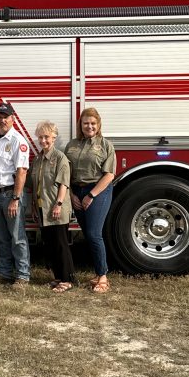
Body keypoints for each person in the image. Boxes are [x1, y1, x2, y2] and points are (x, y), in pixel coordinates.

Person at [65, 107, 115, 292]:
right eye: (86, 123)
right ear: (81, 124)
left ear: (98, 124)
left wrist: (91, 195)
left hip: (98, 190)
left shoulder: (105, 145)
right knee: (87, 234)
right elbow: (65, 173)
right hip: (76, 192)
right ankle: (97, 273)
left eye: (93, 123)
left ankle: (103, 276)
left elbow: (109, 175)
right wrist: (71, 194)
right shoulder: (71, 145)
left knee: (94, 234)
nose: (89, 126)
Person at [0, 102, 31, 290]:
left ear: (13, 119)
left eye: (6, 117)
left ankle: (22, 275)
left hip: (11, 195)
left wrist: (16, 198)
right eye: (0, 117)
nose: (2, 120)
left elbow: (21, 172)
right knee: (0, 237)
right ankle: (4, 273)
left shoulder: (18, 141)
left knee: (17, 236)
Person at [29, 120, 75, 292]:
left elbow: (64, 184)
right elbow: (36, 185)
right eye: (40, 137)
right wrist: (34, 205)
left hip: (56, 209)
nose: (43, 141)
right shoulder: (38, 159)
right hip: (43, 208)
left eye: (47, 137)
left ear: (54, 137)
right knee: (50, 245)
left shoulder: (60, 158)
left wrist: (58, 204)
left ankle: (68, 279)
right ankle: (57, 277)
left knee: (61, 244)